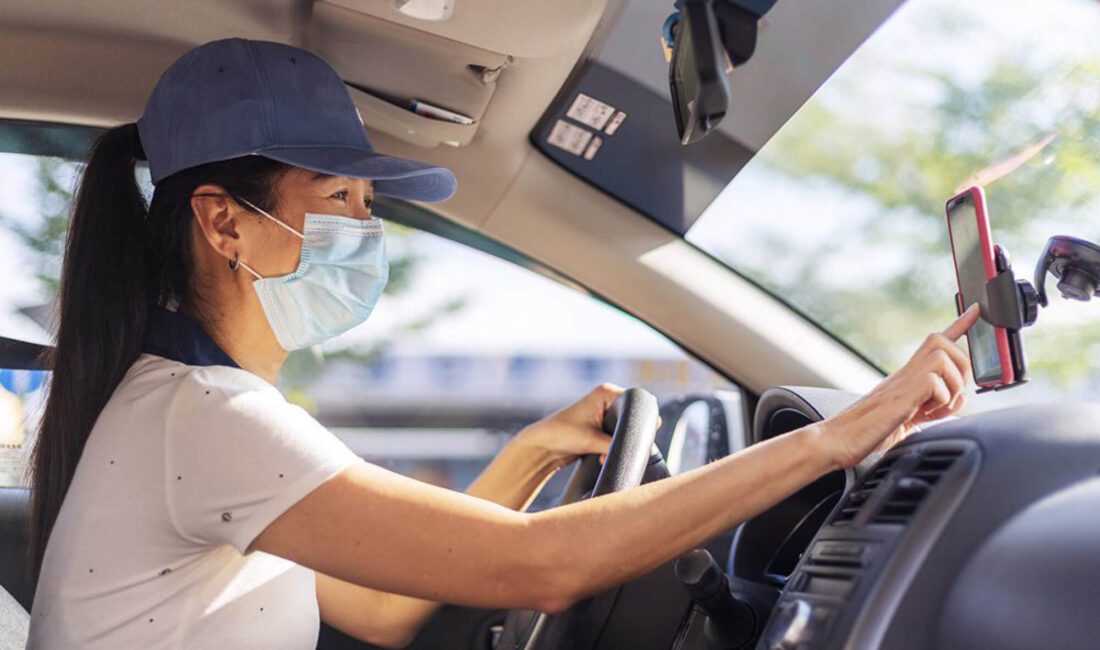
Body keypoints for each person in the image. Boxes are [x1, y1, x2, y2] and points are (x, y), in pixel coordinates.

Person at [24, 38, 979, 649]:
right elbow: (539, 567)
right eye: (338, 201)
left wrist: (532, 451)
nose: (367, 230)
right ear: (224, 224)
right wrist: (831, 440)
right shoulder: (207, 419)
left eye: (370, 205)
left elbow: (382, 611)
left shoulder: (194, 409)